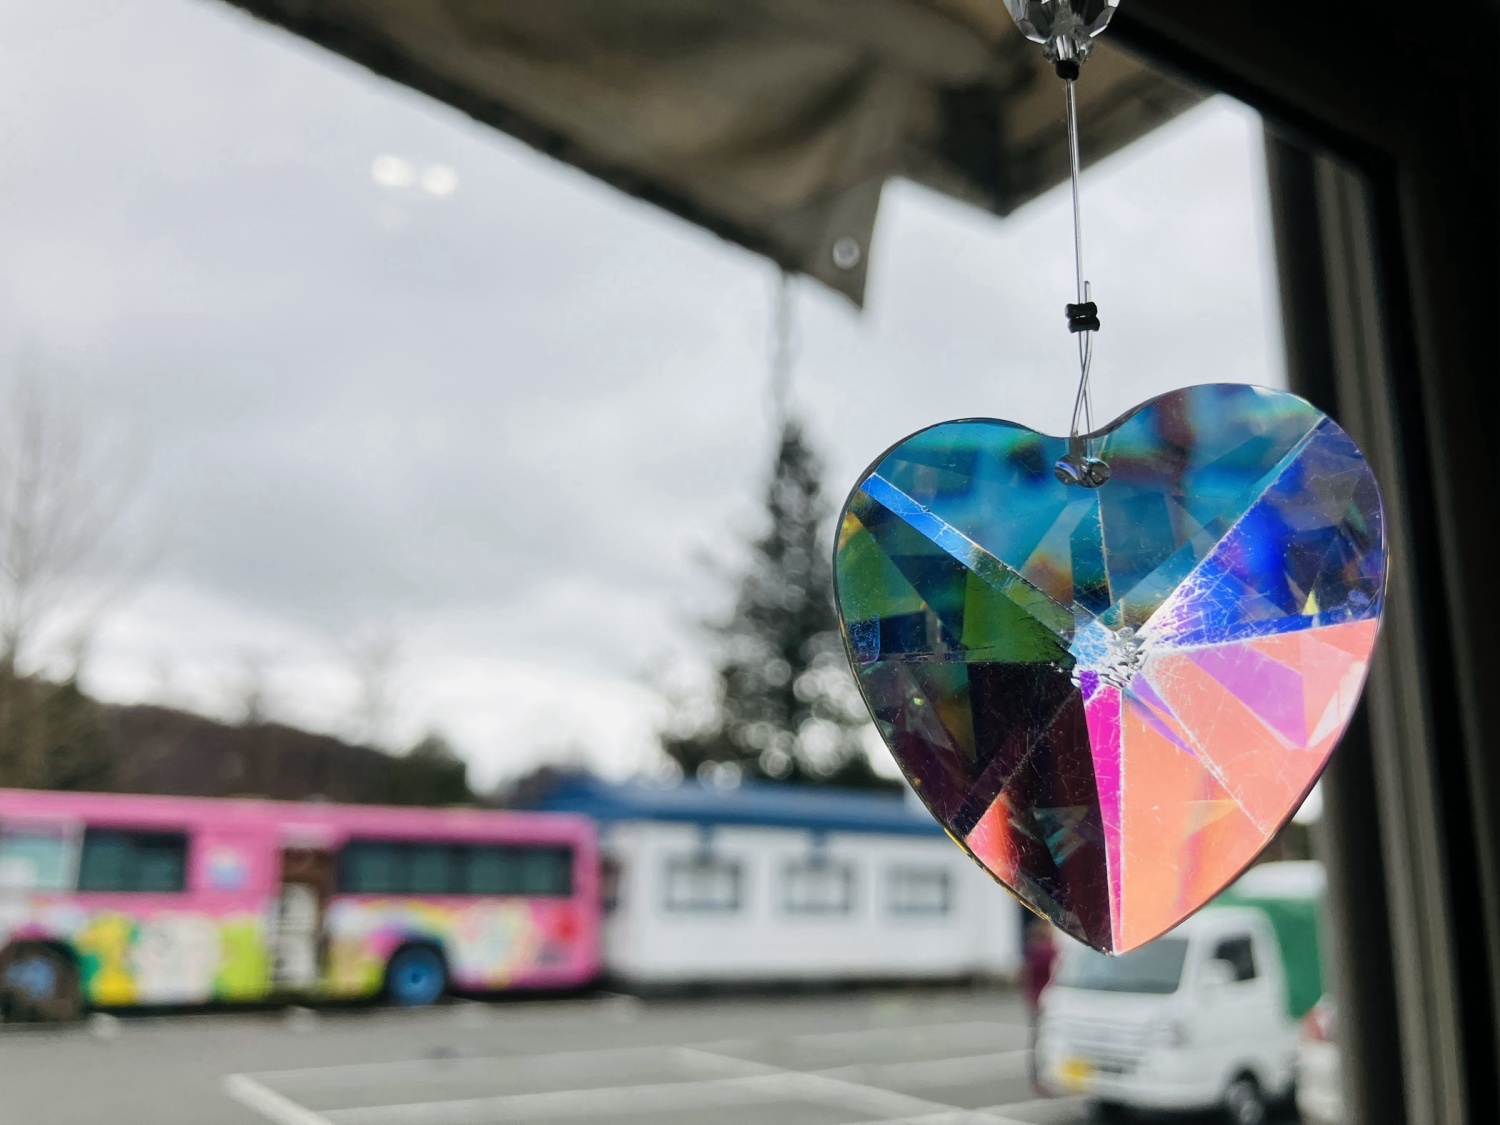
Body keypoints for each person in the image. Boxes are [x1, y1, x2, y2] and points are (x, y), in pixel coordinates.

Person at [1020, 919, 1058, 1091]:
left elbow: (1025, 973)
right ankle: (1046, 1075)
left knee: (1036, 1039)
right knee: (1048, 1038)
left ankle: (1036, 1076)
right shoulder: (1050, 950)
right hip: (1048, 1000)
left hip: (1034, 998)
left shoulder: (1033, 949)